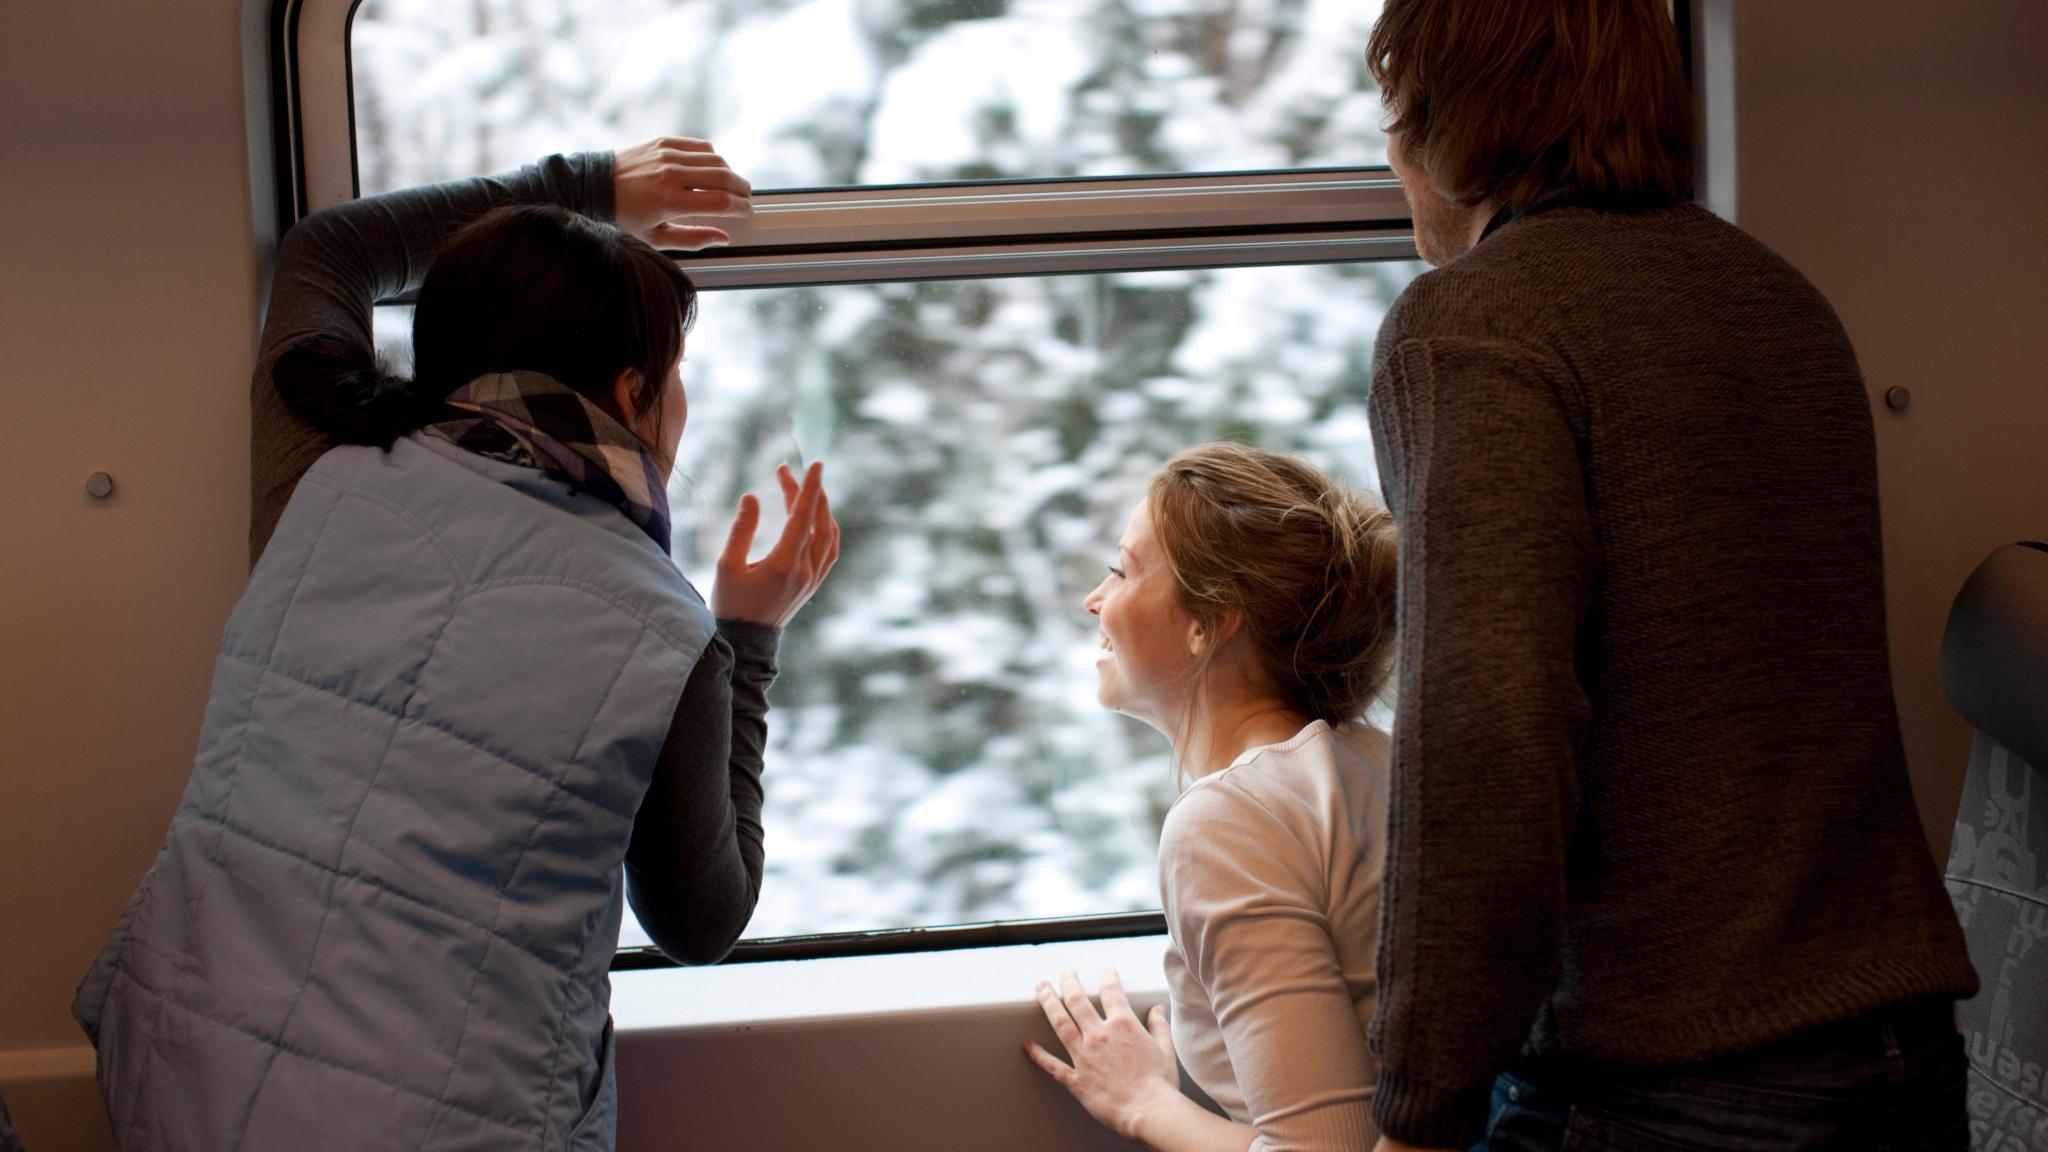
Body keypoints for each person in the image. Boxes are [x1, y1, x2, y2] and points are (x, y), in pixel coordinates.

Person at [71, 138, 839, 1150]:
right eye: (675, 376)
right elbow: (701, 922)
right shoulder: (664, 634)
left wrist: (585, 194)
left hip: (174, 1081)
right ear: (627, 396)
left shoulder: (322, 478)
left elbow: (326, 251)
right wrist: (746, 637)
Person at [1355, 4, 1979, 1150]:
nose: (1391, 157)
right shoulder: (1774, 299)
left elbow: (1485, 731)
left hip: (1666, 1087)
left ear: (1448, 126)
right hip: (1898, 1064)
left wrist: (1418, 1107)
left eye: (1396, 116)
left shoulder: (1472, 327)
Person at [1023, 442, 1400, 1151]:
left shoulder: (1229, 821)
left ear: (1210, 622)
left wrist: (1143, 1104)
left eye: (1122, 570)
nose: (1093, 599)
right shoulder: (1370, 761)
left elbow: (1327, 1150)